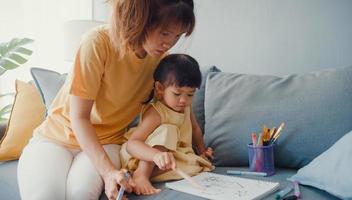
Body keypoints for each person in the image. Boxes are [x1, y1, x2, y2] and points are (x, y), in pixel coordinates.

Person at [17, 0, 197, 199]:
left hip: (108, 142)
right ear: (140, 20)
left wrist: (197, 146)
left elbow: (173, 111)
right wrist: (108, 172)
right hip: (55, 138)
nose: (169, 43)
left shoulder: (162, 63)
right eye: (164, 33)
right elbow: (80, 117)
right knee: (45, 195)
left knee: (81, 194)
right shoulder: (97, 43)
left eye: (177, 36)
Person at [121, 54, 215, 196]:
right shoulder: (156, 112)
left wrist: (202, 151)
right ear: (159, 88)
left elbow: (195, 129)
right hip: (144, 155)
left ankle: (142, 174)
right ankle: (141, 175)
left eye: (190, 95)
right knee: (168, 130)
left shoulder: (185, 108)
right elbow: (132, 144)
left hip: (171, 156)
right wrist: (155, 155)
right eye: (177, 94)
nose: (184, 100)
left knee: (194, 165)